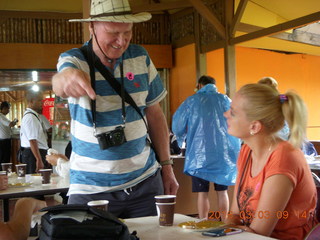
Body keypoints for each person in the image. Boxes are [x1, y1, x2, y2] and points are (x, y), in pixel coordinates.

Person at [51, 0, 178, 218]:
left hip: (145, 183)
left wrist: (167, 167)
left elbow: (155, 114)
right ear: (92, 27)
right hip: (91, 190)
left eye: (127, 31)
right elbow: (60, 81)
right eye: (112, 32)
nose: (122, 41)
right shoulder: (76, 60)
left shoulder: (140, 57)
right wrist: (64, 79)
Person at [224, 83, 318, 239]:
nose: (226, 114)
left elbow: (260, 233)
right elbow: (235, 214)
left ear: (254, 127)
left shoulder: (283, 157)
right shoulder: (247, 151)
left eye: (233, 112)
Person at [172, 75, 241, 221]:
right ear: (214, 85)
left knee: (202, 193)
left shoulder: (191, 101)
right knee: (222, 192)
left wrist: (180, 138)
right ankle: (224, 222)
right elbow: (238, 123)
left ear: (199, 85)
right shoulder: (226, 100)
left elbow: (178, 125)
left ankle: (203, 221)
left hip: (199, 155)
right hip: (223, 156)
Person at [20, 91, 51, 174]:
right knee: (34, 182)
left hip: (35, 153)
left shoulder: (34, 116)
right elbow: (32, 140)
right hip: (33, 154)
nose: (42, 103)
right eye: (39, 100)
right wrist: (38, 159)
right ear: (31, 102)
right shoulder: (30, 117)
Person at [0, 101, 18, 168]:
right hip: (3, 141)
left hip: (3, 140)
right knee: (4, 159)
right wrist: (15, 120)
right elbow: (11, 124)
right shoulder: (1, 117)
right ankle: (3, 174)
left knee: (4, 159)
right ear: (4, 108)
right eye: (8, 109)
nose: (9, 111)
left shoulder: (3, 116)